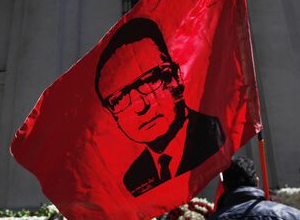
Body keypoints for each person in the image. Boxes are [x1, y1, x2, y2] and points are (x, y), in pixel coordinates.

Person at [95, 18, 225, 197]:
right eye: (118, 99)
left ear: (175, 76)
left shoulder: (217, 136)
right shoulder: (133, 179)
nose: (140, 106)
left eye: (149, 80)